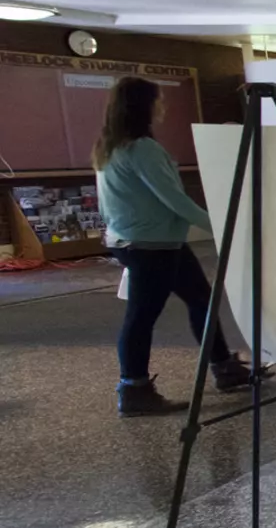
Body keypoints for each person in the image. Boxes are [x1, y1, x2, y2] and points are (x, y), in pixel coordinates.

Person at [94, 77, 258, 416]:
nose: (163, 106)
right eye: (159, 100)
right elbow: (174, 201)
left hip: (148, 241)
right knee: (142, 316)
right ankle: (134, 388)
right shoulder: (142, 149)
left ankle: (224, 367)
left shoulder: (112, 146)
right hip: (149, 246)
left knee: (201, 298)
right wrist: (226, 226)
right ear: (144, 105)